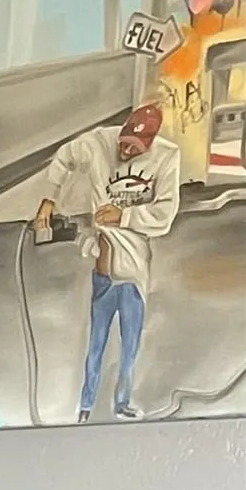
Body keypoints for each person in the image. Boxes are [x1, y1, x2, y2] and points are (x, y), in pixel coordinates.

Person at [34, 103, 182, 422]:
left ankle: (122, 403)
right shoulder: (98, 143)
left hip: (134, 275)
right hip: (103, 275)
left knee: (129, 348)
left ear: (150, 144)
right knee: (95, 347)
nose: (126, 151)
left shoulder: (167, 157)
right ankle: (85, 407)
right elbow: (63, 158)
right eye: (124, 142)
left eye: (135, 148)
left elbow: (164, 216)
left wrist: (124, 215)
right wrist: (49, 198)